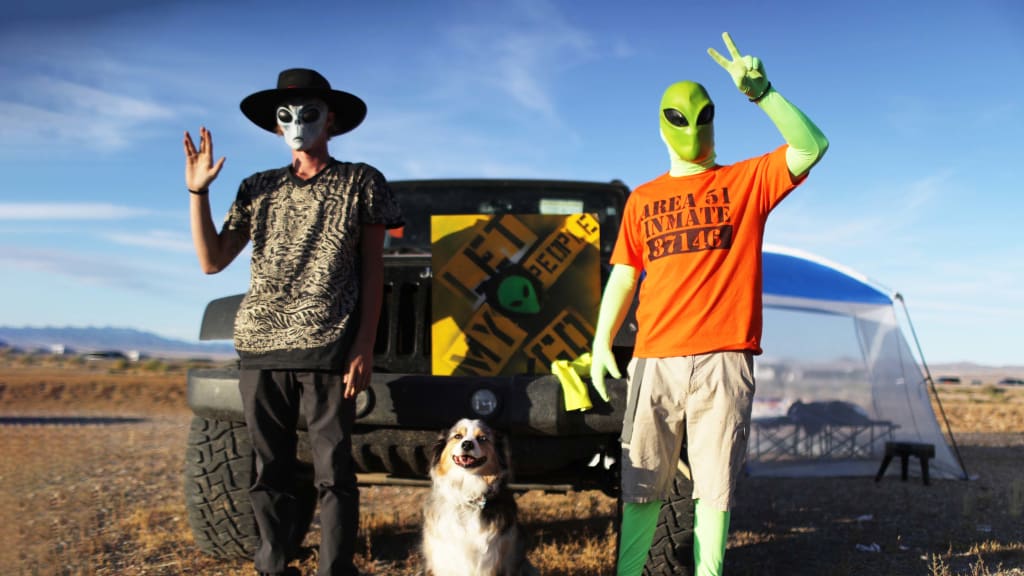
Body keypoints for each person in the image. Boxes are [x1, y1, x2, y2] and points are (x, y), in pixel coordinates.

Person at [589, 33, 828, 576]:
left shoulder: (745, 182)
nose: (692, 130)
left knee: (714, 488)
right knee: (642, 482)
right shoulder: (642, 199)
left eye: (702, 118)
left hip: (724, 359)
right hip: (655, 360)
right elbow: (624, 273)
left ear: (715, 123)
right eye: (680, 119)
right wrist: (601, 341)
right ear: (661, 126)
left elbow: (812, 146)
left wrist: (763, 93)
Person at [183, 68, 403, 576]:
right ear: (275, 125)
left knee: (333, 471)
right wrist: (198, 194)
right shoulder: (256, 187)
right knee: (269, 470)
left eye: (310, 112)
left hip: (327, 346)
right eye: (287, 114)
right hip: (259, 346)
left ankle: (334, 568)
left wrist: (363, 346)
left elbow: (374, 271)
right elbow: (212, 261)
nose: (298, 122)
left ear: (331, 120)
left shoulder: (361, 182)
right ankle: (273, 566)